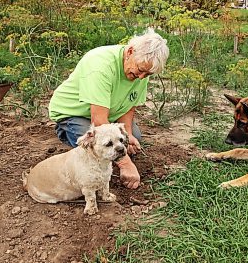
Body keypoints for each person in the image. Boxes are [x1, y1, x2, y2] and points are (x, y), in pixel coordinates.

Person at [48, 28, 169, 189]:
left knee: (134, 140)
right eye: (140, 71)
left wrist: (128, 136)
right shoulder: (101, 65)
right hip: (73, 113)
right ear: (130, 52)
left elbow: (128, 106)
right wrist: (126, 164)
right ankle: (65, 131)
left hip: (108, 114)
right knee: (94, 143)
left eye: (147, 75)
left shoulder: (141, 69)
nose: (141, 78)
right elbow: (98, 121)